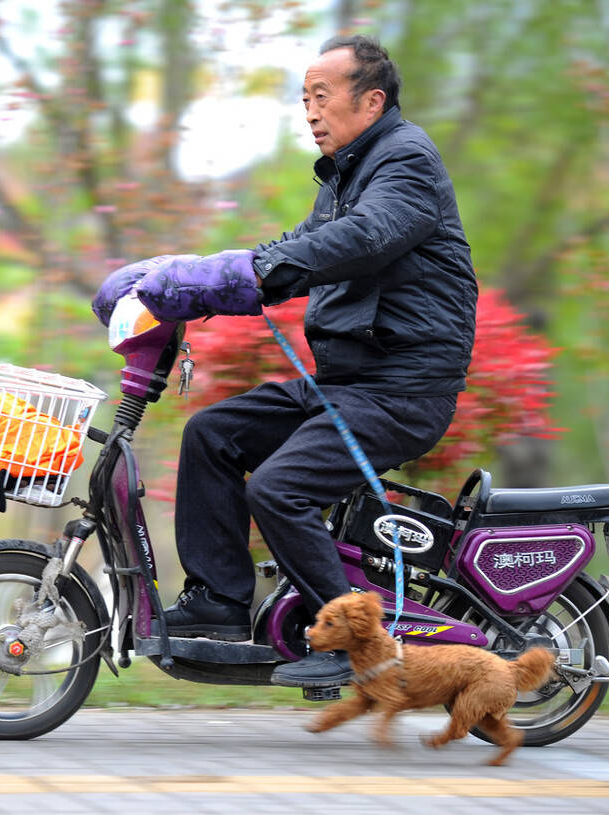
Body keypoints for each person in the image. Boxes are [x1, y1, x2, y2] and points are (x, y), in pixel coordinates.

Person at [93, 35, 476, 688]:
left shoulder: (406, 162)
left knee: (278, 487)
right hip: (347, 385)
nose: (310, 112)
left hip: (400, 392)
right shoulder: (346, 177)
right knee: (213, 434)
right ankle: (217, 601)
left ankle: (357, 641)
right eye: (304, 99)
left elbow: (359, 240)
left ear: (372, 100)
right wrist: (201, 279)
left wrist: (247, 271)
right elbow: (296, 249)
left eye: (321, 97)